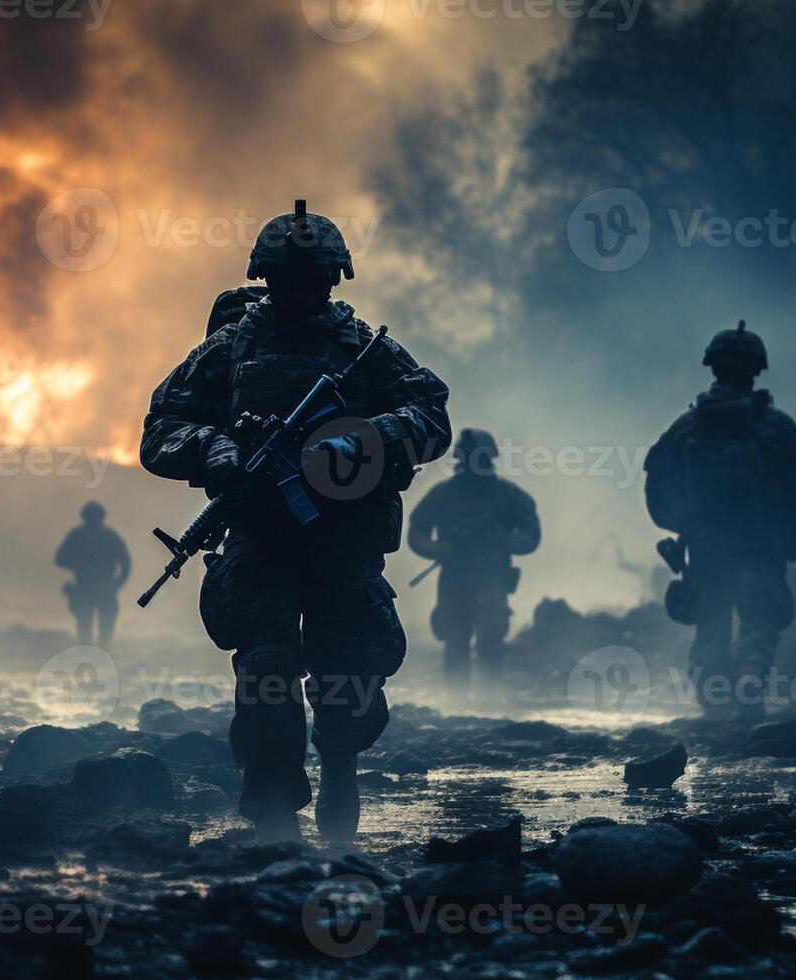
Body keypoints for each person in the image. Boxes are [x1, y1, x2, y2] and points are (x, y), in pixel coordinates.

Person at [140, 200, 451, 844]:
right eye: (288, 280)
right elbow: (159, 430)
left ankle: (340, 768)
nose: (302, 293)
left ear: (336, 279)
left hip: (344, 540)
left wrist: (364, 437)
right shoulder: (229, 348)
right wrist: (215, 447)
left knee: (349, 677)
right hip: (261, 538)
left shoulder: (367, 351)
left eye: (314, 280)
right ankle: (275, 811)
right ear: (265, 278)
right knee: (265, 670)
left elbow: (432, 416)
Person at [644, 322, 796, 723]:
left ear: (713, 368)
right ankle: (749, 682)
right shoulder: (777, 426)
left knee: (710, 623)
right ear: (755, 370)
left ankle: (715, 706)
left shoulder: (686, 427)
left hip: (706, 545)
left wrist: (680, 525)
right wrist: (788, 525)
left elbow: (657, 484)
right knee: (759, 618)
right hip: (761, 543)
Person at [406, 429, 540, 697]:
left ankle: (488, 697)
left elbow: (530, 537)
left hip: (493, 575)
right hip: (455, 575)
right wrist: (442, 549)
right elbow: (416, 533)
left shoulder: (508, 496)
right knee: (456, 635)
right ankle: (456, 700)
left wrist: (500, 539)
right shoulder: (444, 495)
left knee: (491, 633)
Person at [54, 501, 131, 647]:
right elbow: (59, 558)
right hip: (85, 587)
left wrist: (117, 584)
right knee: (84, 626)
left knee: (105, 627)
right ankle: (89, 654)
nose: (93, 520)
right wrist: (77, 563)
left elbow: (126, 563)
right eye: (90, 517)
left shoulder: (109, 537)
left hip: (104, 587)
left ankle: (102, 654)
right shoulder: (76, 536)